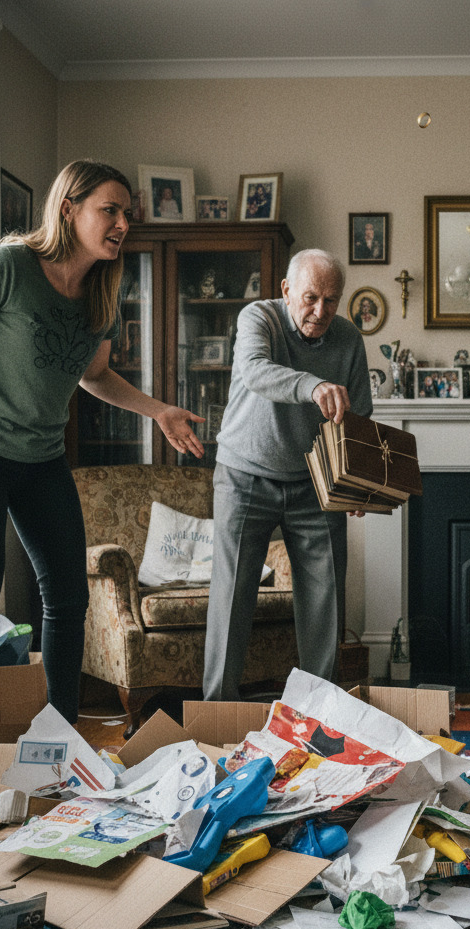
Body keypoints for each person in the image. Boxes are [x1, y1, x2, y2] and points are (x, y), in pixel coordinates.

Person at [0, 160, 205, 807]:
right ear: (70, 208)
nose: (122, 224)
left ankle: (61, 745)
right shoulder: (9, 266)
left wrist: (158, 411)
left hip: (39, 457)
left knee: (67, 598)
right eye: (109, 210)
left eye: (127, 215)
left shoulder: (100, 294)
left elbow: (94, 376)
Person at [202, 249, 372, 701]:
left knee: (325, 600)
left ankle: (319, 713)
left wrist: (357, 483)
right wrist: (312, 386)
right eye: (311, 298)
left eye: (331, 300)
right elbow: (255, 372)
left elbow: (358, 416)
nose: (320, 311)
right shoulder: (259, 318)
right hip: (244, 475)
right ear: (286, 290)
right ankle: (216, 711)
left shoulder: (349, 339)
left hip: (315, 484)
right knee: (231, 597)